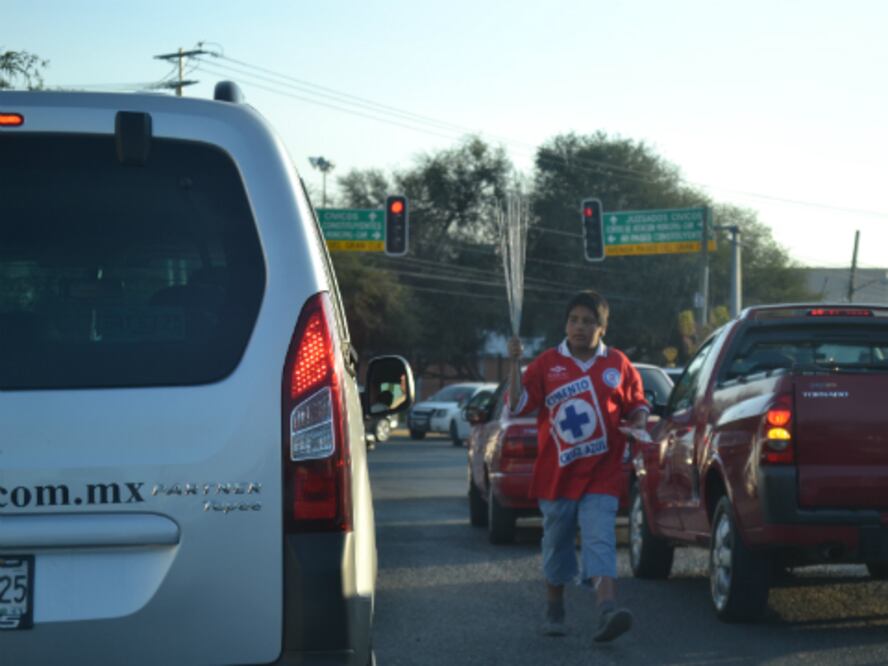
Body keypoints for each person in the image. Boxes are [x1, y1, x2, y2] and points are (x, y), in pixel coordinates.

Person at [507, 290, 649, 643]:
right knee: (556, 544)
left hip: (602, 473)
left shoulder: (617, 364)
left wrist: (640, 422)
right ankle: (554, 605)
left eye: (588, 322)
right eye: (574, 320)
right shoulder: (546, 363)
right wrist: (513, 364)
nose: (579, 327)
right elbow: (520, 404)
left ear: (602, 328)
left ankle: (607, 610)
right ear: (566, 324)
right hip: (557, 475)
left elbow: (637, 404)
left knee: (600, 539)